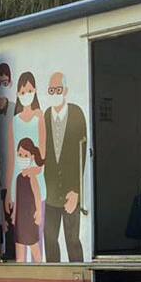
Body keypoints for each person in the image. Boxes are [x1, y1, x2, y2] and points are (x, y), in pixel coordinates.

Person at [42, 71, 87, 262]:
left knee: (72, 239)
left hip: (71, 190)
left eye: (58, 89)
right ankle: (54, 276)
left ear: (65, 90)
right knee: (50, 238)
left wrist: (76, 190)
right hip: (51, 191)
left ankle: (80, 275)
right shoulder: (46, 115)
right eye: (51, 90)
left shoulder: (76, 112)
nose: (55, 93)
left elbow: (81, 154)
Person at [5, 72, 47, 262]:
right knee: (19, 237)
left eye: (29, 90)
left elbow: (43, 156)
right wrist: (8, 193)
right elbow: (12, 160)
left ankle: (42, 273)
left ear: (35, 91)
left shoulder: (40, 116)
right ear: (18, 93)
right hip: (18, 186)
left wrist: (32, 171)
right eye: (23, 91)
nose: (26, 94)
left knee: (36, 235)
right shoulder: (14, 121)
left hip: (36, 184)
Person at [11, 138, 45, 263]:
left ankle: (40, 268)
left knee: (33, 245)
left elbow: (37, 194)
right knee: (19, 245)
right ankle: (20, 267)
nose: (22, 157)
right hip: (20, 217)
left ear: (31, 157)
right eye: (20, 154)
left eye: (25, 155)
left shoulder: (32, 177)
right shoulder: (18, 177)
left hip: (30, 216)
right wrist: (14, 214)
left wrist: (39, 211)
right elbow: (17, 197)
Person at [0, 63, 15, 260]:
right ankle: (0, 249)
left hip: (11, 171)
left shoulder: (15, 108)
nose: (1, 85)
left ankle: (8, 251)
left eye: (4, 81)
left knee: (9, 215)